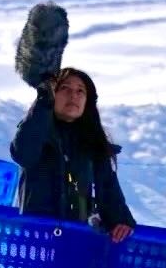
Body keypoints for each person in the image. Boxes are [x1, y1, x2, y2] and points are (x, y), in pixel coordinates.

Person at [10, 67, 135, 241]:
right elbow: (23, 154)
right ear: (52, 93)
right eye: (65, 88)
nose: (73, 95)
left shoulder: (94, 146)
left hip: (77, 243)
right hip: (37, 240)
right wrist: (44, 101)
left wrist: (121, 221)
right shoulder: (36, 131)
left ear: (87, 101)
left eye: (80, 91)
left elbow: (108, 189)